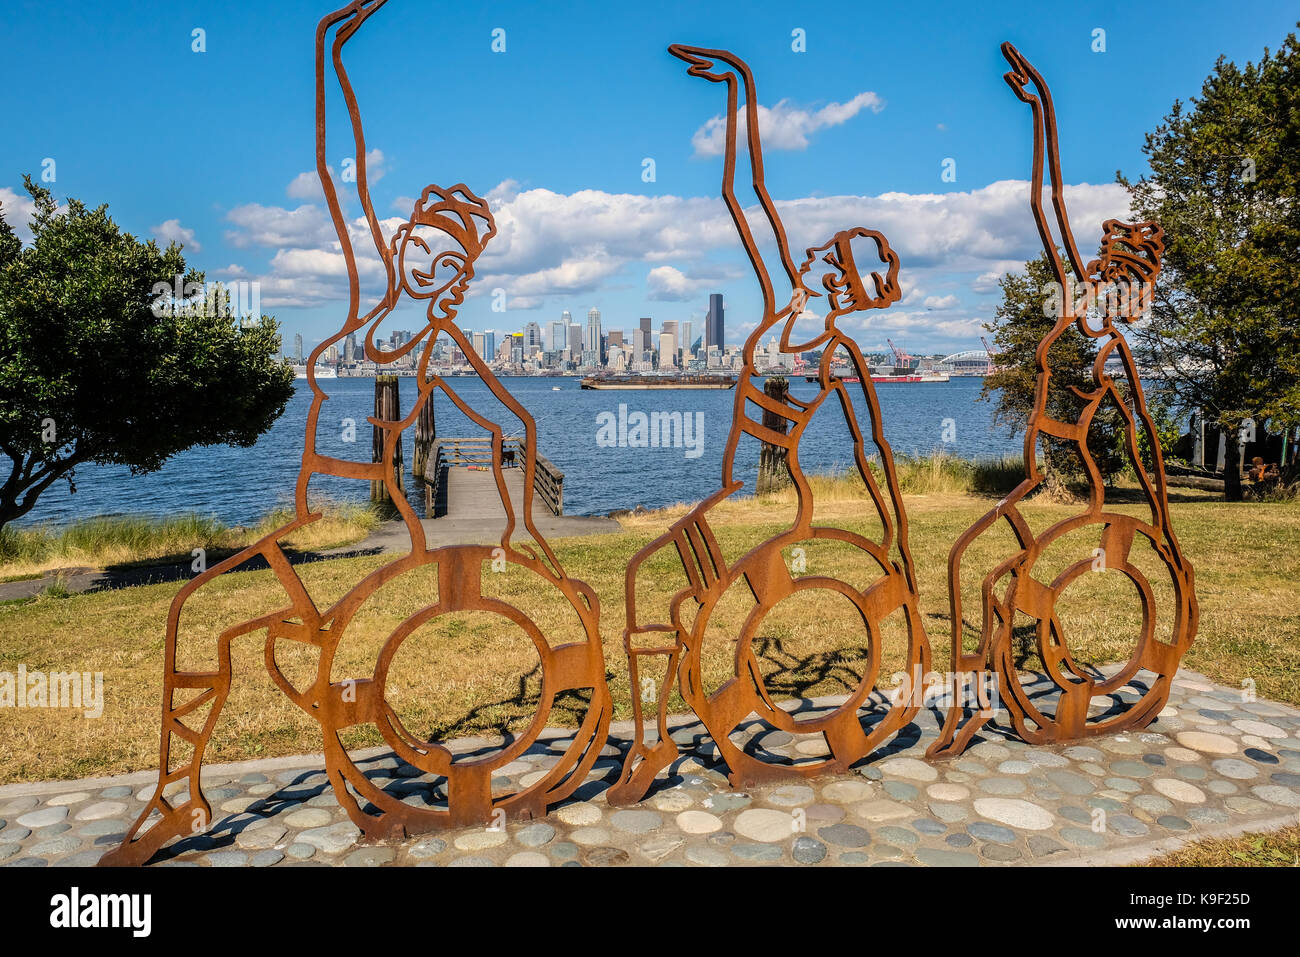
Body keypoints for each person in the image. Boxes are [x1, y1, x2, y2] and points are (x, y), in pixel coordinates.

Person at [102, 0, 609, 866]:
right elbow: (346, 178)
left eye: (456, 270)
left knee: (220, 626)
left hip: (404, 536)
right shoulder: (369, 309)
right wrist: (334, 44)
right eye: (427, 254)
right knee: (199, 612)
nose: (436, 275)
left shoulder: (434, 344)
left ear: (464, 279)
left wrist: (534, 546)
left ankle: (186, 795)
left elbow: (510, 418)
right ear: (403, 243)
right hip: (309, 522)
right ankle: (177, 797)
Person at [609, 46, 930, 805]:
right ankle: (659, 735)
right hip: (734, 494)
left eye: (836, 260)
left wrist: (897, 545)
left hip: (783, 507)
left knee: (671, 595)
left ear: (849, 288)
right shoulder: (790, 310)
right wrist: (741, 92)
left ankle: (671, 736)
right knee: (643, 583)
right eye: (827, 251)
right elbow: (746, 195)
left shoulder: (832, 344)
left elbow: (871, 447)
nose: (817, 258)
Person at [928, 43, 1198, 758]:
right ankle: (973, 703)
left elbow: (1142, 440)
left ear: (1125, 292)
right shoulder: (1077, 314)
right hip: (1039, 481)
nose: (1093, 278)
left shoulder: (1112, 351)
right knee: (967, 561)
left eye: (1111, 276)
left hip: (1085, 500)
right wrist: (1040, 108)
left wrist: (1168, 536)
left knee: (989, 573)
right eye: (1099, 269)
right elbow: (1046, 204)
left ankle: (982, 707)